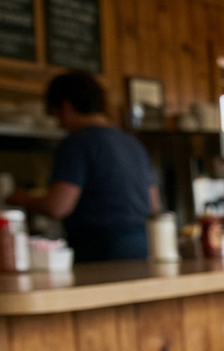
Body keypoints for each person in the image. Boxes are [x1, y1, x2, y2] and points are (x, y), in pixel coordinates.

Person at [7, 71, 157, 263]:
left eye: (56, 115)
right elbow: (153, 205)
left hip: (99, 252)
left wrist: (22, 199)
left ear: (66, 107)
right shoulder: (133, 144)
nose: (59, 123)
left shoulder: (77, 143)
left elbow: (58, 207)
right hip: (143, 248)